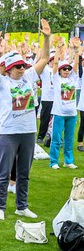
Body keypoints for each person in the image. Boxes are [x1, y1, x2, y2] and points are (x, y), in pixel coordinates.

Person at [0, 19, 51, 220]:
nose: (21, 69)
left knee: (24, 173)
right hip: (8, 132)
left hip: (28, 132)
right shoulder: (1, 82)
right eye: (17, 66)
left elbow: (45, 57)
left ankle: (22, 206)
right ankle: (0, 207)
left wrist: (47, 38)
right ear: (8, 69)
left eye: (22, 65)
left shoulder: (30, 77)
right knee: (3, 172)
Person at [48, 38, 80, 170]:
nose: (67, 70)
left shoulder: (73, 78)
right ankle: (53, 161)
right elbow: (55, 63)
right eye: (64, 69)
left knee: (69, 139)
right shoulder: (56, 79)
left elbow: (77, 63)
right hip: (59, 113)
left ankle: (68, 161)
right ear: (60, 71)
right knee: (56, 139)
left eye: (68, 69)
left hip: (72, 113)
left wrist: (77, 50)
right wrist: (58, 49)